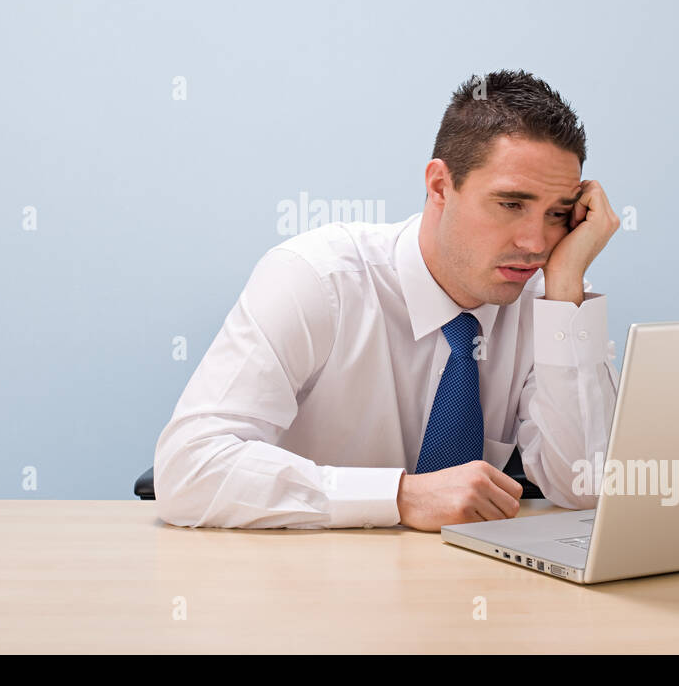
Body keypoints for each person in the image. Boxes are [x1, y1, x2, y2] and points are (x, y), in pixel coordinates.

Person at [154, 69, 622, 531]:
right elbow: (188, 469)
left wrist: (565, 295)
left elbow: (586, 488)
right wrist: (398, 496)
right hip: (306, 585)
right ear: (440, 186)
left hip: (472, 590)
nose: (535, 243)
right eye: (511, 204)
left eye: (558, 214)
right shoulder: (316, 280)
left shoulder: (547, 305)